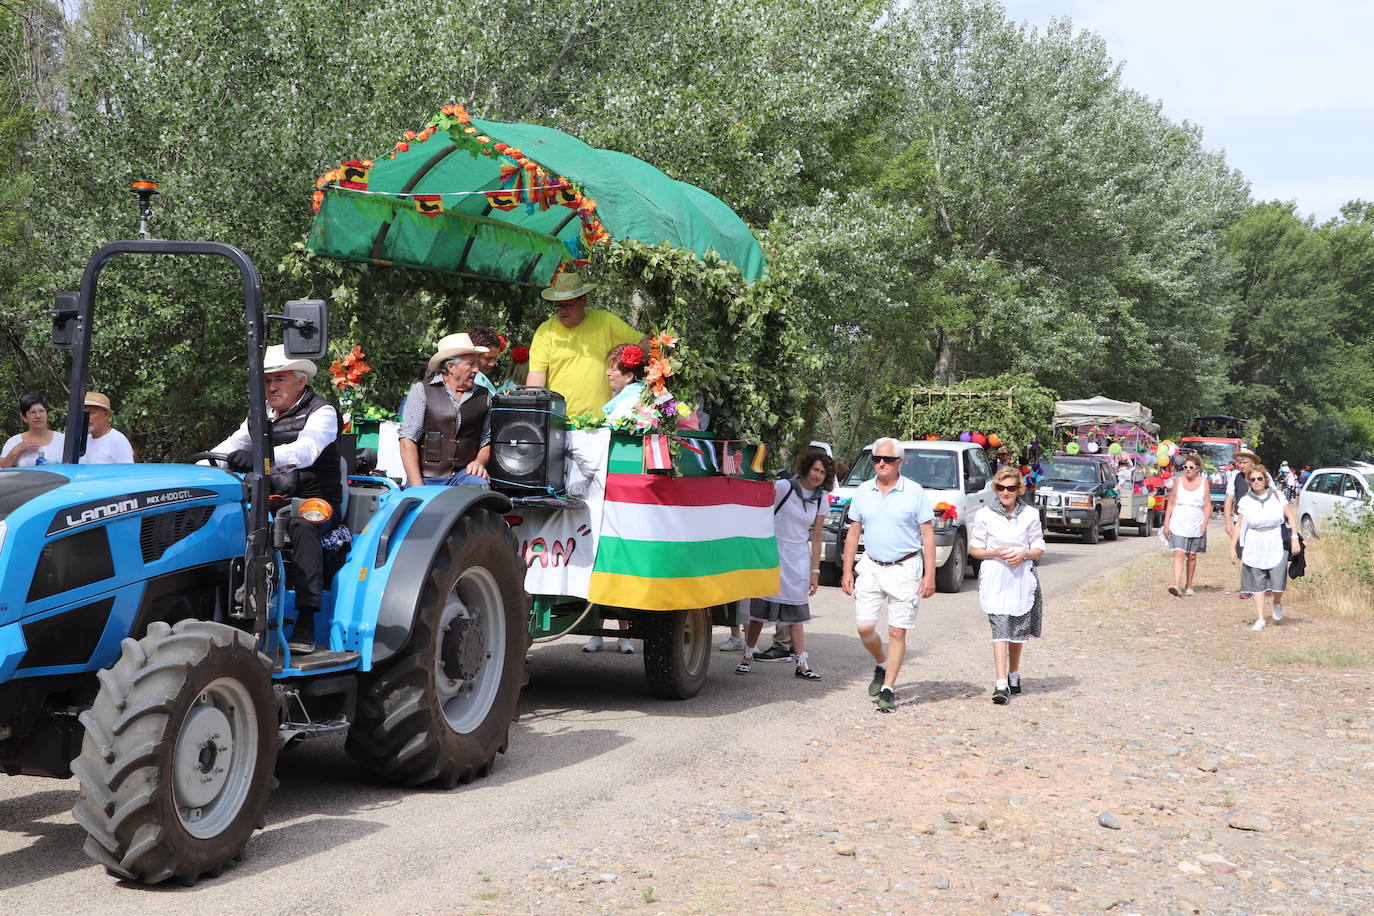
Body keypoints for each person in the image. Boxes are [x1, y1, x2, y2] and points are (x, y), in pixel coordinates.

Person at [206, 345, 350, 650]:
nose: (271, 387)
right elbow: (227, 448)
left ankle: (307, 621)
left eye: (279, 379)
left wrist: (260, 458)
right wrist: (198, 470)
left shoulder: (322, 412)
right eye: (267, 380)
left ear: (301, 382)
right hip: (271, 499)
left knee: (302, 524)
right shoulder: (259, 416)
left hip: (316, 500)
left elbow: (306, 452)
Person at [841, 437, 936, 712]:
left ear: (899, 462)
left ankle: (888, 688)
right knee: (864, 626)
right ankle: (881, 662)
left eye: (887, 459)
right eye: (876, 458)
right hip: (871, 566)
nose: (880, 464)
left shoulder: (915, 492)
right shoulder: (863, 491)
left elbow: (927, 535)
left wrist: (929, 576)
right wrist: (847, 570)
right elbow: (853, 531)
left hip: (905, 568)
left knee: (896, 631)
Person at [735, 451, 833, 679]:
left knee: (797, 614)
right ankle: (747, 656)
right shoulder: (783, 487)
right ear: (807, 467)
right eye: (816, 470)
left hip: (798, 557)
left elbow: (816, 538)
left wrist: (815, 571)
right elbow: (761, 516)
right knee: (759, 611)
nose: (818, 475)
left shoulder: (821, 499)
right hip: (774, 552)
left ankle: (802, 664)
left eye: (823, 472)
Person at [968, 467, 1046, 704]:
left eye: (1011, 488)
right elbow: (975, 549)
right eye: (1001, 488)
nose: (1005, 492)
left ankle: (1013, 674)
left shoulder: (1030, 514)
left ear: (1018, 489)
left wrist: (1023, 555)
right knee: (1000, 627)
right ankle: (1000, 683)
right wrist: (995, 553)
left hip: (1020, 577)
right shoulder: (984, 515)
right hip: (995, 576)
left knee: (1016, 630)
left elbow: (1038, 547)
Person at [526, 272, 642, 417]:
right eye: (559, 306)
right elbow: (536, 374)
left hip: (600, 422)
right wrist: (530, 414)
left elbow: (643, 344)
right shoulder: (545, 331)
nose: (563, 311)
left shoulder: (606, 321)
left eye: (568, 305)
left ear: (584, 300)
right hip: (558, 422)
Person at [398, 333, 493, 489]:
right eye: (471, 364)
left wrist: (479, 462)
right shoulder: (422, 390)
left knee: (480, 487)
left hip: (463, 476)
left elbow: (486, 441)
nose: (477, 369)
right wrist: (417, 487)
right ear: (451, 367)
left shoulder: (484, 396)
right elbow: (407, 441)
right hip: (427, 476)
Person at [1230, 463, 1301, 631]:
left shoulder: (1277, 496)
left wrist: (1294, 537)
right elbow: (1239, 525)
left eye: (1259, 478)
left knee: (1278, 580)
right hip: (1254, 541)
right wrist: (1232, 547)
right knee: (1257, 581)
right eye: (1252, 479)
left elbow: (1290, 515)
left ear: (1265, 480)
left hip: (1275, 539)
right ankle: (1261, 618)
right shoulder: (1245, 501)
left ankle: (1277, 602)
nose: (1256, 482)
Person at [1162, 456, 1208, 596]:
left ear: (1197, 469)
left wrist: (1205, 522)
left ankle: (1189, 585)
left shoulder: (1203, 482)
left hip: (1196, 521)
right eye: (1185, 467)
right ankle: (1176, 584)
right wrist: (1166, 522)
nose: (1187, 470)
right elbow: (1171, 503)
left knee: (1192, 555)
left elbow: (1207, 505)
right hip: (1179, 521)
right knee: (1179, 552)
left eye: (1191, 467)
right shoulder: (1178, 481)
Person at [1, 393, 65, 468]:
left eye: (41, 411)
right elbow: (3, 469)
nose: (38, 416)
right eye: (32, 412)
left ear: (47, 413)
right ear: (24, 417)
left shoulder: (62, 440)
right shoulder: (14, 442)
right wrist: (17, 450)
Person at [79, 392, 135, 464]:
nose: (86, 417)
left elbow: (127, 472)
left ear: (106, 415)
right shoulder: (85, 441)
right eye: (83, 413)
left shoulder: (118, 441)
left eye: (91, 412)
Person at [601, 343, 647, 423]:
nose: (607, 373)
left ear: (629, 376)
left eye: (613, 369)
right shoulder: (637, 394)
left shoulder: (630, 402)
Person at [468, 327, 507, 397]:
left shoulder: (482, 379)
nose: (492, 363)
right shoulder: (473, 380)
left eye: (495, 358)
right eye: (487, 358)